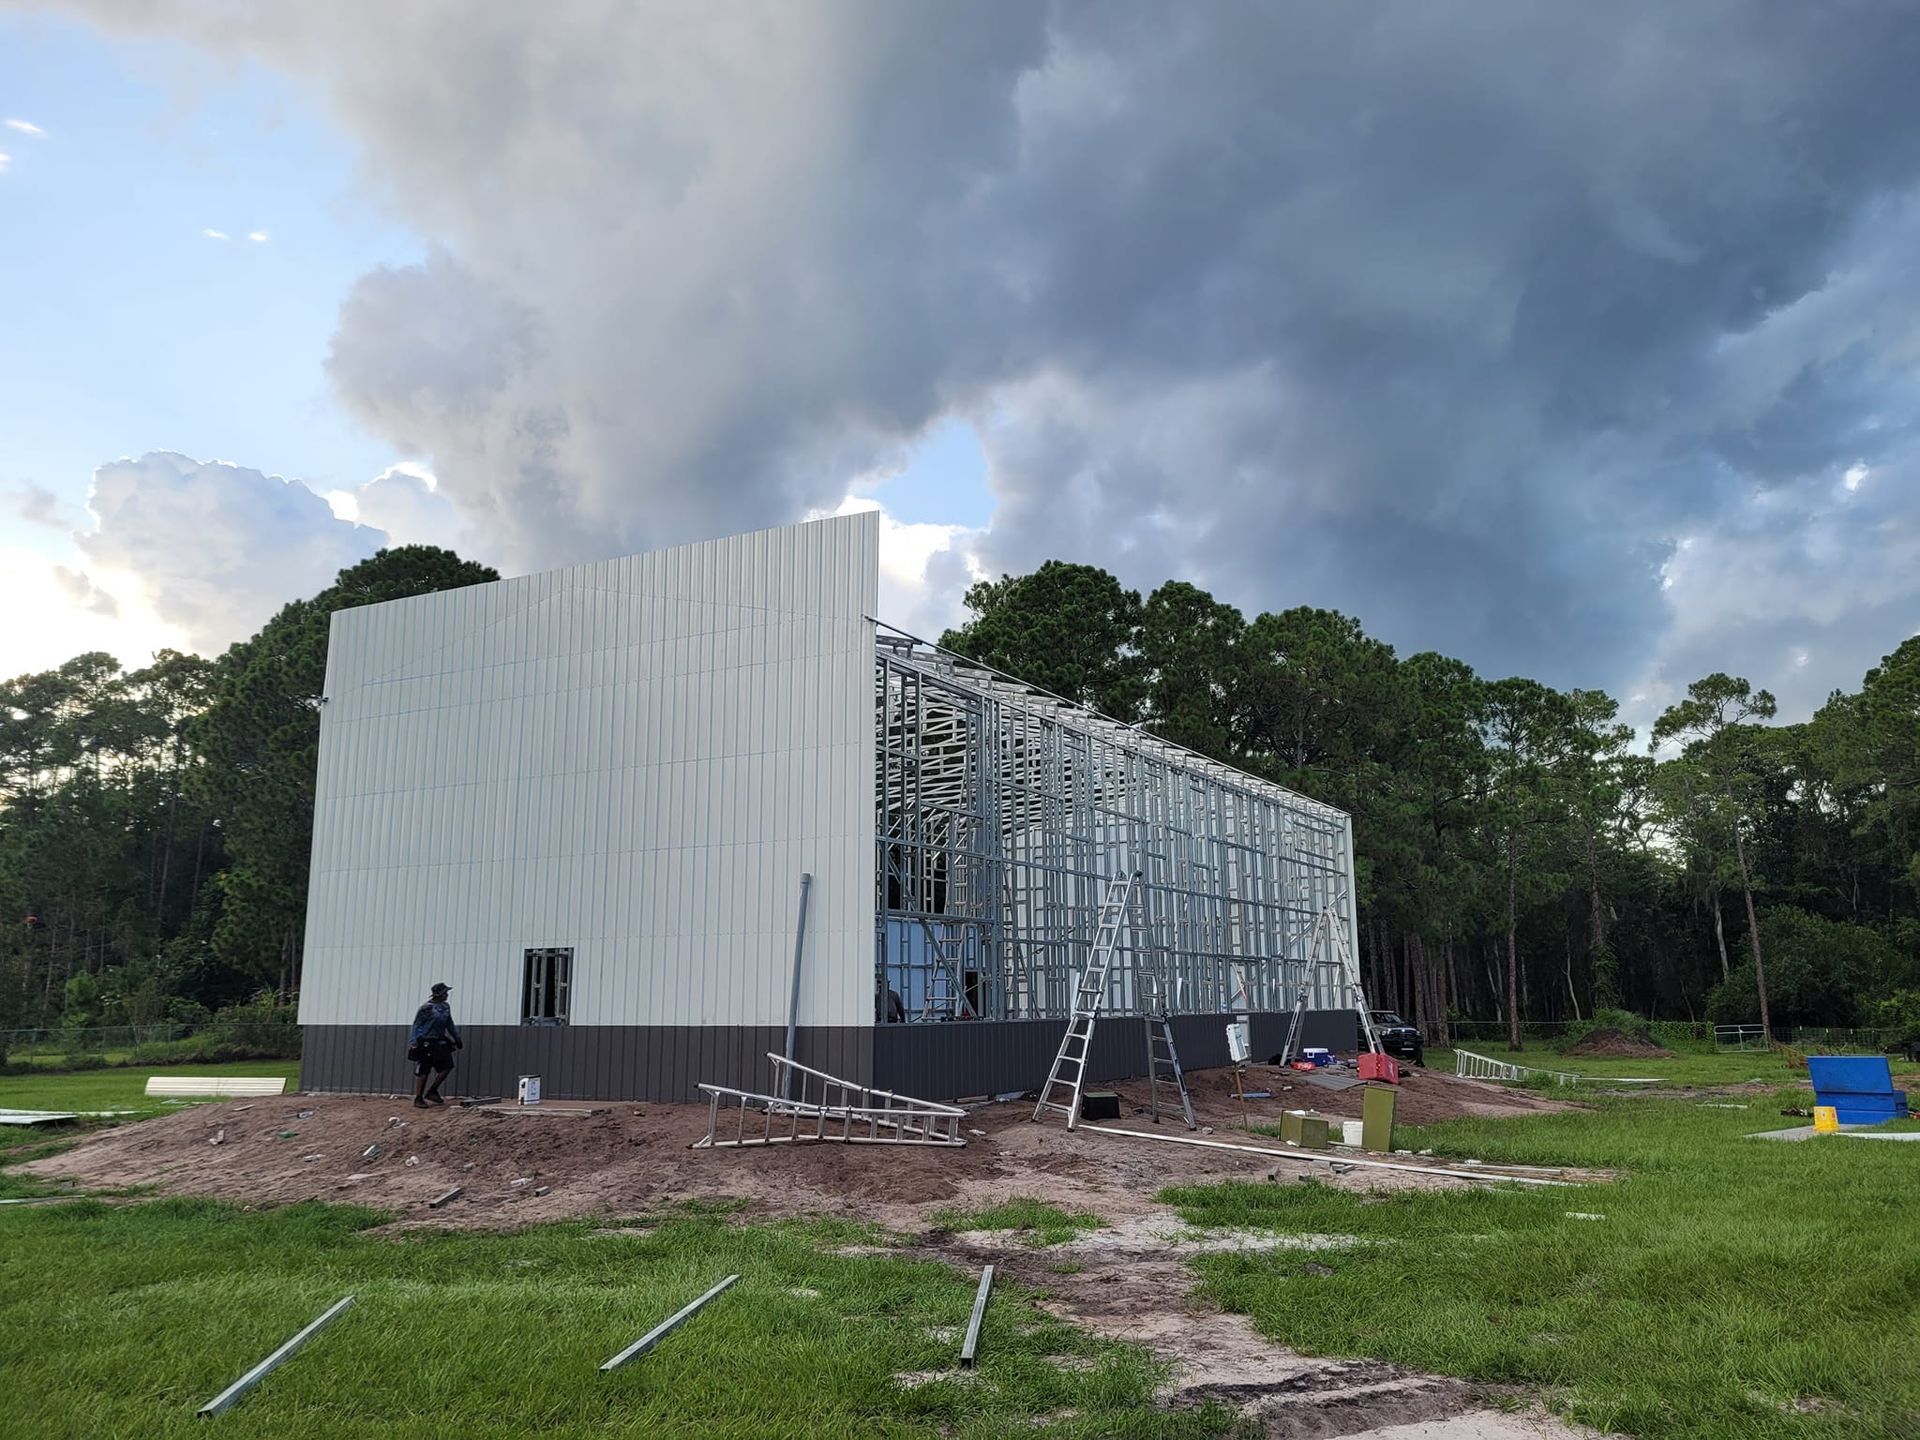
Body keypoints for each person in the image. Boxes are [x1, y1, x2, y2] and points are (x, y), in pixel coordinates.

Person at [407, 982, 462, 1108]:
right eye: (445, 993)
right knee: (424, 1070)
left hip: (439, 1040)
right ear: (439, 994)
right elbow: (417, 1025)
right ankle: (418, 1098)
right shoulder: (426, 1008)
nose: (447, 995)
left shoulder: (446, 1007)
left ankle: (433, 1090)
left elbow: (449, 1023)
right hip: (425, 1040)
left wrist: (456, 1038)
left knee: (447, 1066)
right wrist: (414, 1042)